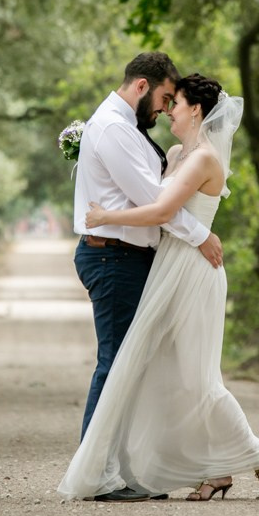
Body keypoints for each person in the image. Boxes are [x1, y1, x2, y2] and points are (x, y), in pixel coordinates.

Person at [58, 73, 259, 504]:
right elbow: (140, 183)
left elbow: (160, 209)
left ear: (195, 109)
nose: (167, 111)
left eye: (174, 103)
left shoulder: (204, 159)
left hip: (194, 270)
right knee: (173, 375)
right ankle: (213, 470)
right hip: (167, 267)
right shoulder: (178, 153)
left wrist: (108, 217)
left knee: (198, 378)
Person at [71, 53, 224, 465]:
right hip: (114, 259)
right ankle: (97, 470)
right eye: (163, 97)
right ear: (142, 86)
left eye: (173, 101)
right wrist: (201, 236)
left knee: (135, 365)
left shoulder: (127, 128)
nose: (164, 107)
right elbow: (154, 202)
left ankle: (130, 467)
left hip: (130, 258)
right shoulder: (115, 130)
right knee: (116, 363)